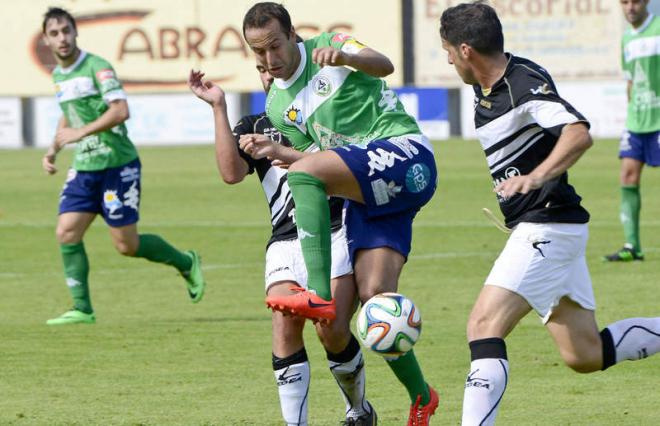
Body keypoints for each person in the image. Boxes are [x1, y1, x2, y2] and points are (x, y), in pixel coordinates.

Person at [438, 3, 660, 425]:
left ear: (466, 50)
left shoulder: (524, 85)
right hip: (555, 229)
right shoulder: (488, 83)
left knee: (483, 324)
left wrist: (535, 177)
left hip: (547, 227)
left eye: (448, 50)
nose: (447, 59)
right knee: (585, 354)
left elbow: (578, 133)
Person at [240, 3, 439, 424]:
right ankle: (422, 395)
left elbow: (383, 65)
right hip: (368, 192)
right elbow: (317, 159)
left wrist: (348, 56)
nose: (270, 60)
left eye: (275, 46)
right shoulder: (277, 104)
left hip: (404, 153)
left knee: (303, 175)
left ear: (293, 34)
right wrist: (279, 151)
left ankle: (318, 294)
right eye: (259, 53)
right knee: (376, 303)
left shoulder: (328, 45)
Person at [188, 62, 376, 425]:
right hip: (285, 240)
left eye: (276, 62)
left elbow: (351, 166)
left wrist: (284, 150)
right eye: (261, 67)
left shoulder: (329, 115)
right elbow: (231, 174)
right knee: (284, 322)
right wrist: (218, 107)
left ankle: (358, 410)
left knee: (331, 330)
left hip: (336, 230)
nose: (269, 73)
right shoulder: (254, 124)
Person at [41, 7, 205, 325]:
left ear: (76, 32)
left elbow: (120, 110)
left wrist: (78, 133)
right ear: (46, 40)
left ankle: (185, 262)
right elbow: (70, 113)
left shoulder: (97, 68)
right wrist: (54, 147)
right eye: (54, 33)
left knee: (126, 245)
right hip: (85, 166)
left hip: (118, 165)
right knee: (66, 232)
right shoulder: (59, 75)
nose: (62, 38)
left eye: (66, 30)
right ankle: (82, 308)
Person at [604, 0, 660, 262]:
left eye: (635, 1)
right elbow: (630, 81)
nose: (630, 7)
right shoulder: (626, 38)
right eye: (624, 2)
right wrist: (631, 114)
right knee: (627, 176)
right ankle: (632, 246)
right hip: (637, 120)